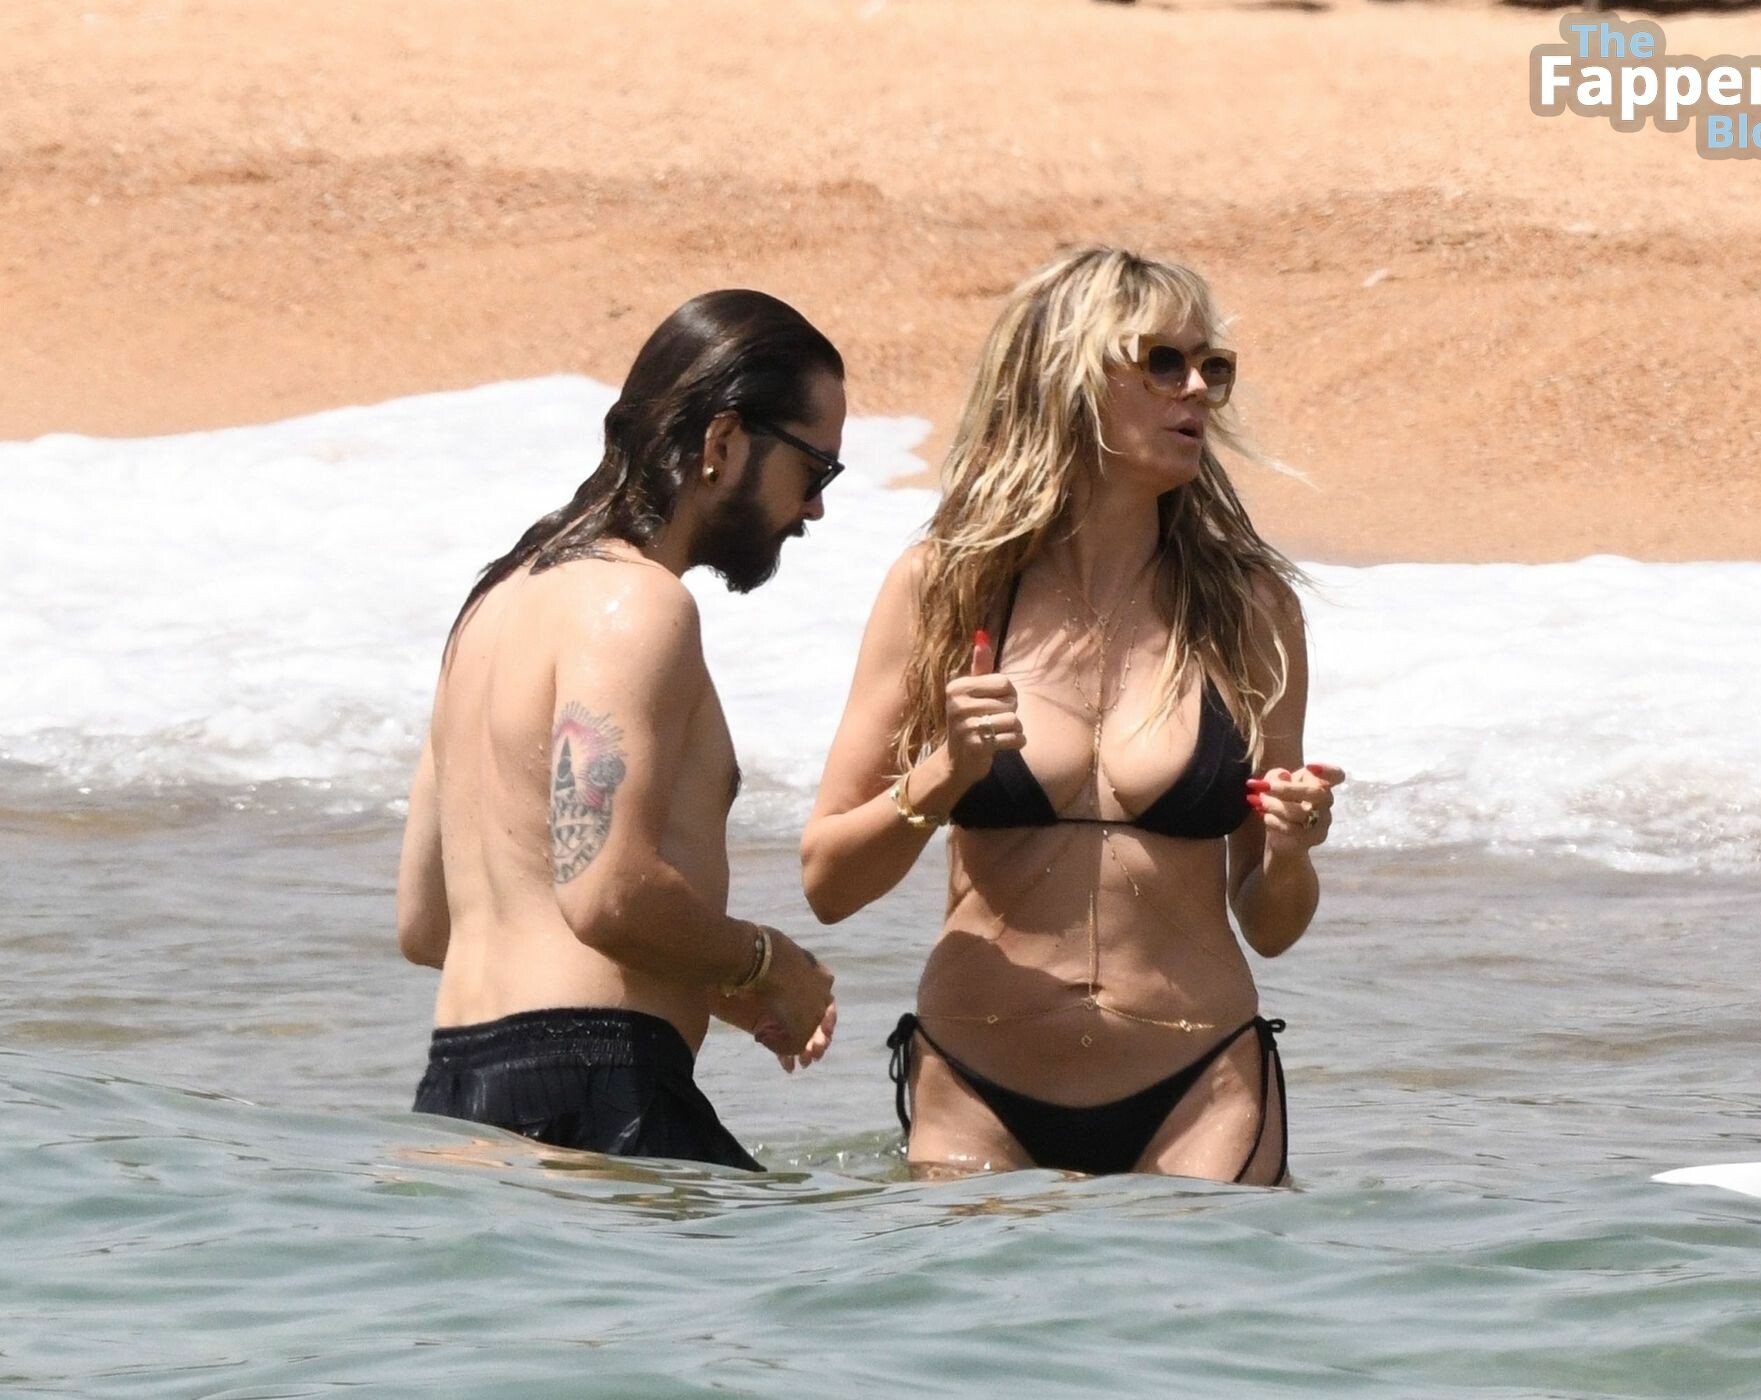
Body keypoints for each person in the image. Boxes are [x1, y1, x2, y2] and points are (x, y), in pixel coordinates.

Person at [801, 247, 1341, 1185]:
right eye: (1163, 362)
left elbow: (1270, 922)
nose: (1197, 390)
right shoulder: (945, 588)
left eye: (1212, 366)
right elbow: (827, 883)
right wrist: (941, 775)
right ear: (1066, 378)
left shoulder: (1249, 609)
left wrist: (1292, 850)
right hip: (978, 1085)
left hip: (1201, 1084)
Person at [397, 290, 845, 1171]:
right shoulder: (639, 604)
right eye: (815, 471)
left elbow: (425, 923)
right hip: (599, 1090)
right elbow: (605, 894)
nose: (816, 510)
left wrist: (692, 969)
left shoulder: (492, 606)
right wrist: (767, 964)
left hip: (456, 1102)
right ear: (724, 442)